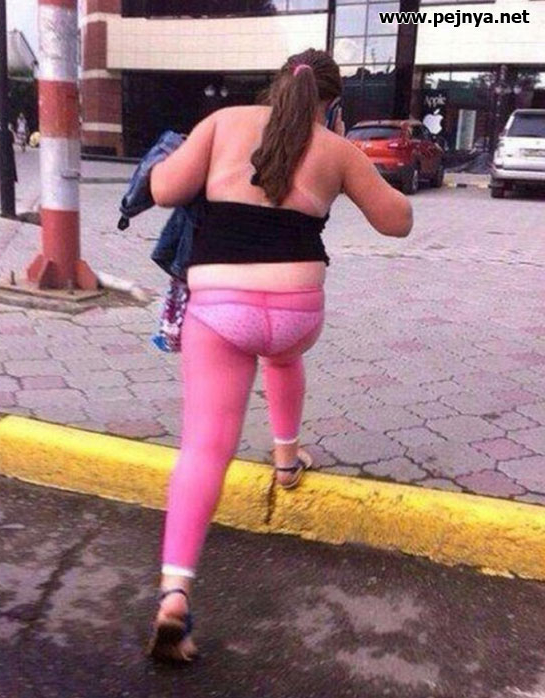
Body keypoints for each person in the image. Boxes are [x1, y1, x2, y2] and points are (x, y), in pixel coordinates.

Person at [147, 48, 412, 663]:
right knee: (283, 356)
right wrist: (347, 160)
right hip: (295, 313)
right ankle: (287, 461)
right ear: (332, 103)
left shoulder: (223, 123)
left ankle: (174, 594)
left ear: (276, 87)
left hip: (220, 309)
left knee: (205, 446)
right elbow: (397, 222)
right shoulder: (339, 149)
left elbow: (163, 190)